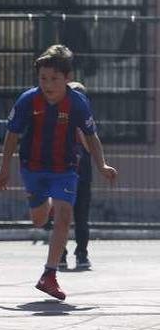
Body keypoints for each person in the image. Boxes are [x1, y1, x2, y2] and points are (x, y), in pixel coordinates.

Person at [0, 46, 117, 300]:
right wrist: (4, 168)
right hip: (33, 167)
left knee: (64, 218)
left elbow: (92, 137)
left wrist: (102, 164)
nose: (48, 84)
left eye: (54, 79)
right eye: (43, 79)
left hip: (65, 169)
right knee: (40, 221)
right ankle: (44, 203)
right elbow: (12, 135)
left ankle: (49, 274)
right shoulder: (28, 100)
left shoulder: (77, 103)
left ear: (67, 77)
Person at [60, 81, 94, 270]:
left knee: (81, 217)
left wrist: (79, 128)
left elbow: (90, 147)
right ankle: (61, 255)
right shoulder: (58, 119)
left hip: (82, 175)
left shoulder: (88, 121)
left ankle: (82, 253)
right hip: (61, 174)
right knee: (60, 216)